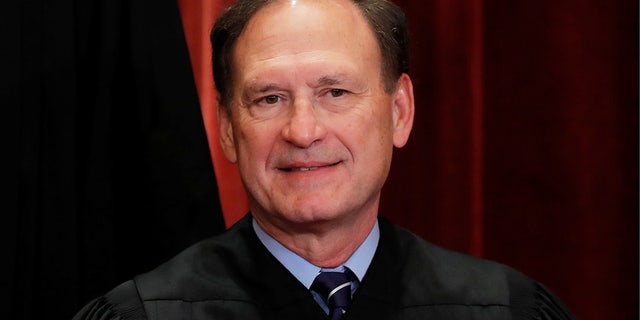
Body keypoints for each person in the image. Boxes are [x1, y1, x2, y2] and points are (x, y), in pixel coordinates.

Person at [73, 0, 576, 319]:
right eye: (269, 98)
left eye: (334, 92)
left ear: (399, 112)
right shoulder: (145, 314)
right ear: (228, 129)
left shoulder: (504, 309)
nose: (303, 131)